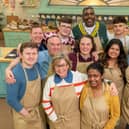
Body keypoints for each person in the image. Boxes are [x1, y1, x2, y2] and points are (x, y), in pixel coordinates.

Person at [6, 42, 46, 129]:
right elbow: (11, 99)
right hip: (22, 115)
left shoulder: (37, 67)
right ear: (21, 55)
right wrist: (27, 114)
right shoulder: (15, 74)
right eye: (28, 53)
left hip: (36, 111)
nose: (31, 56)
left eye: (34, 53)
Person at [42, 54, 88, 129]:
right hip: (57, 121)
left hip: (75, 121)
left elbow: (95, 79)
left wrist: (110, 83)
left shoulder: (78, 77)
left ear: (68, 65)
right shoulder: (50, 81)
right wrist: (54, 117)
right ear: (54, 67)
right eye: (57, 66)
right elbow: (45, 102)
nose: (60, 69)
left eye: (63, 65)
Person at [80, 62, 120, 129]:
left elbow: (116, 115)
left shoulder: (111, 91)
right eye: (89, 76)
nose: (92, 79)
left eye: (95, 76)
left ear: (102, 76)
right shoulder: (85, 88)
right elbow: (81, 108)